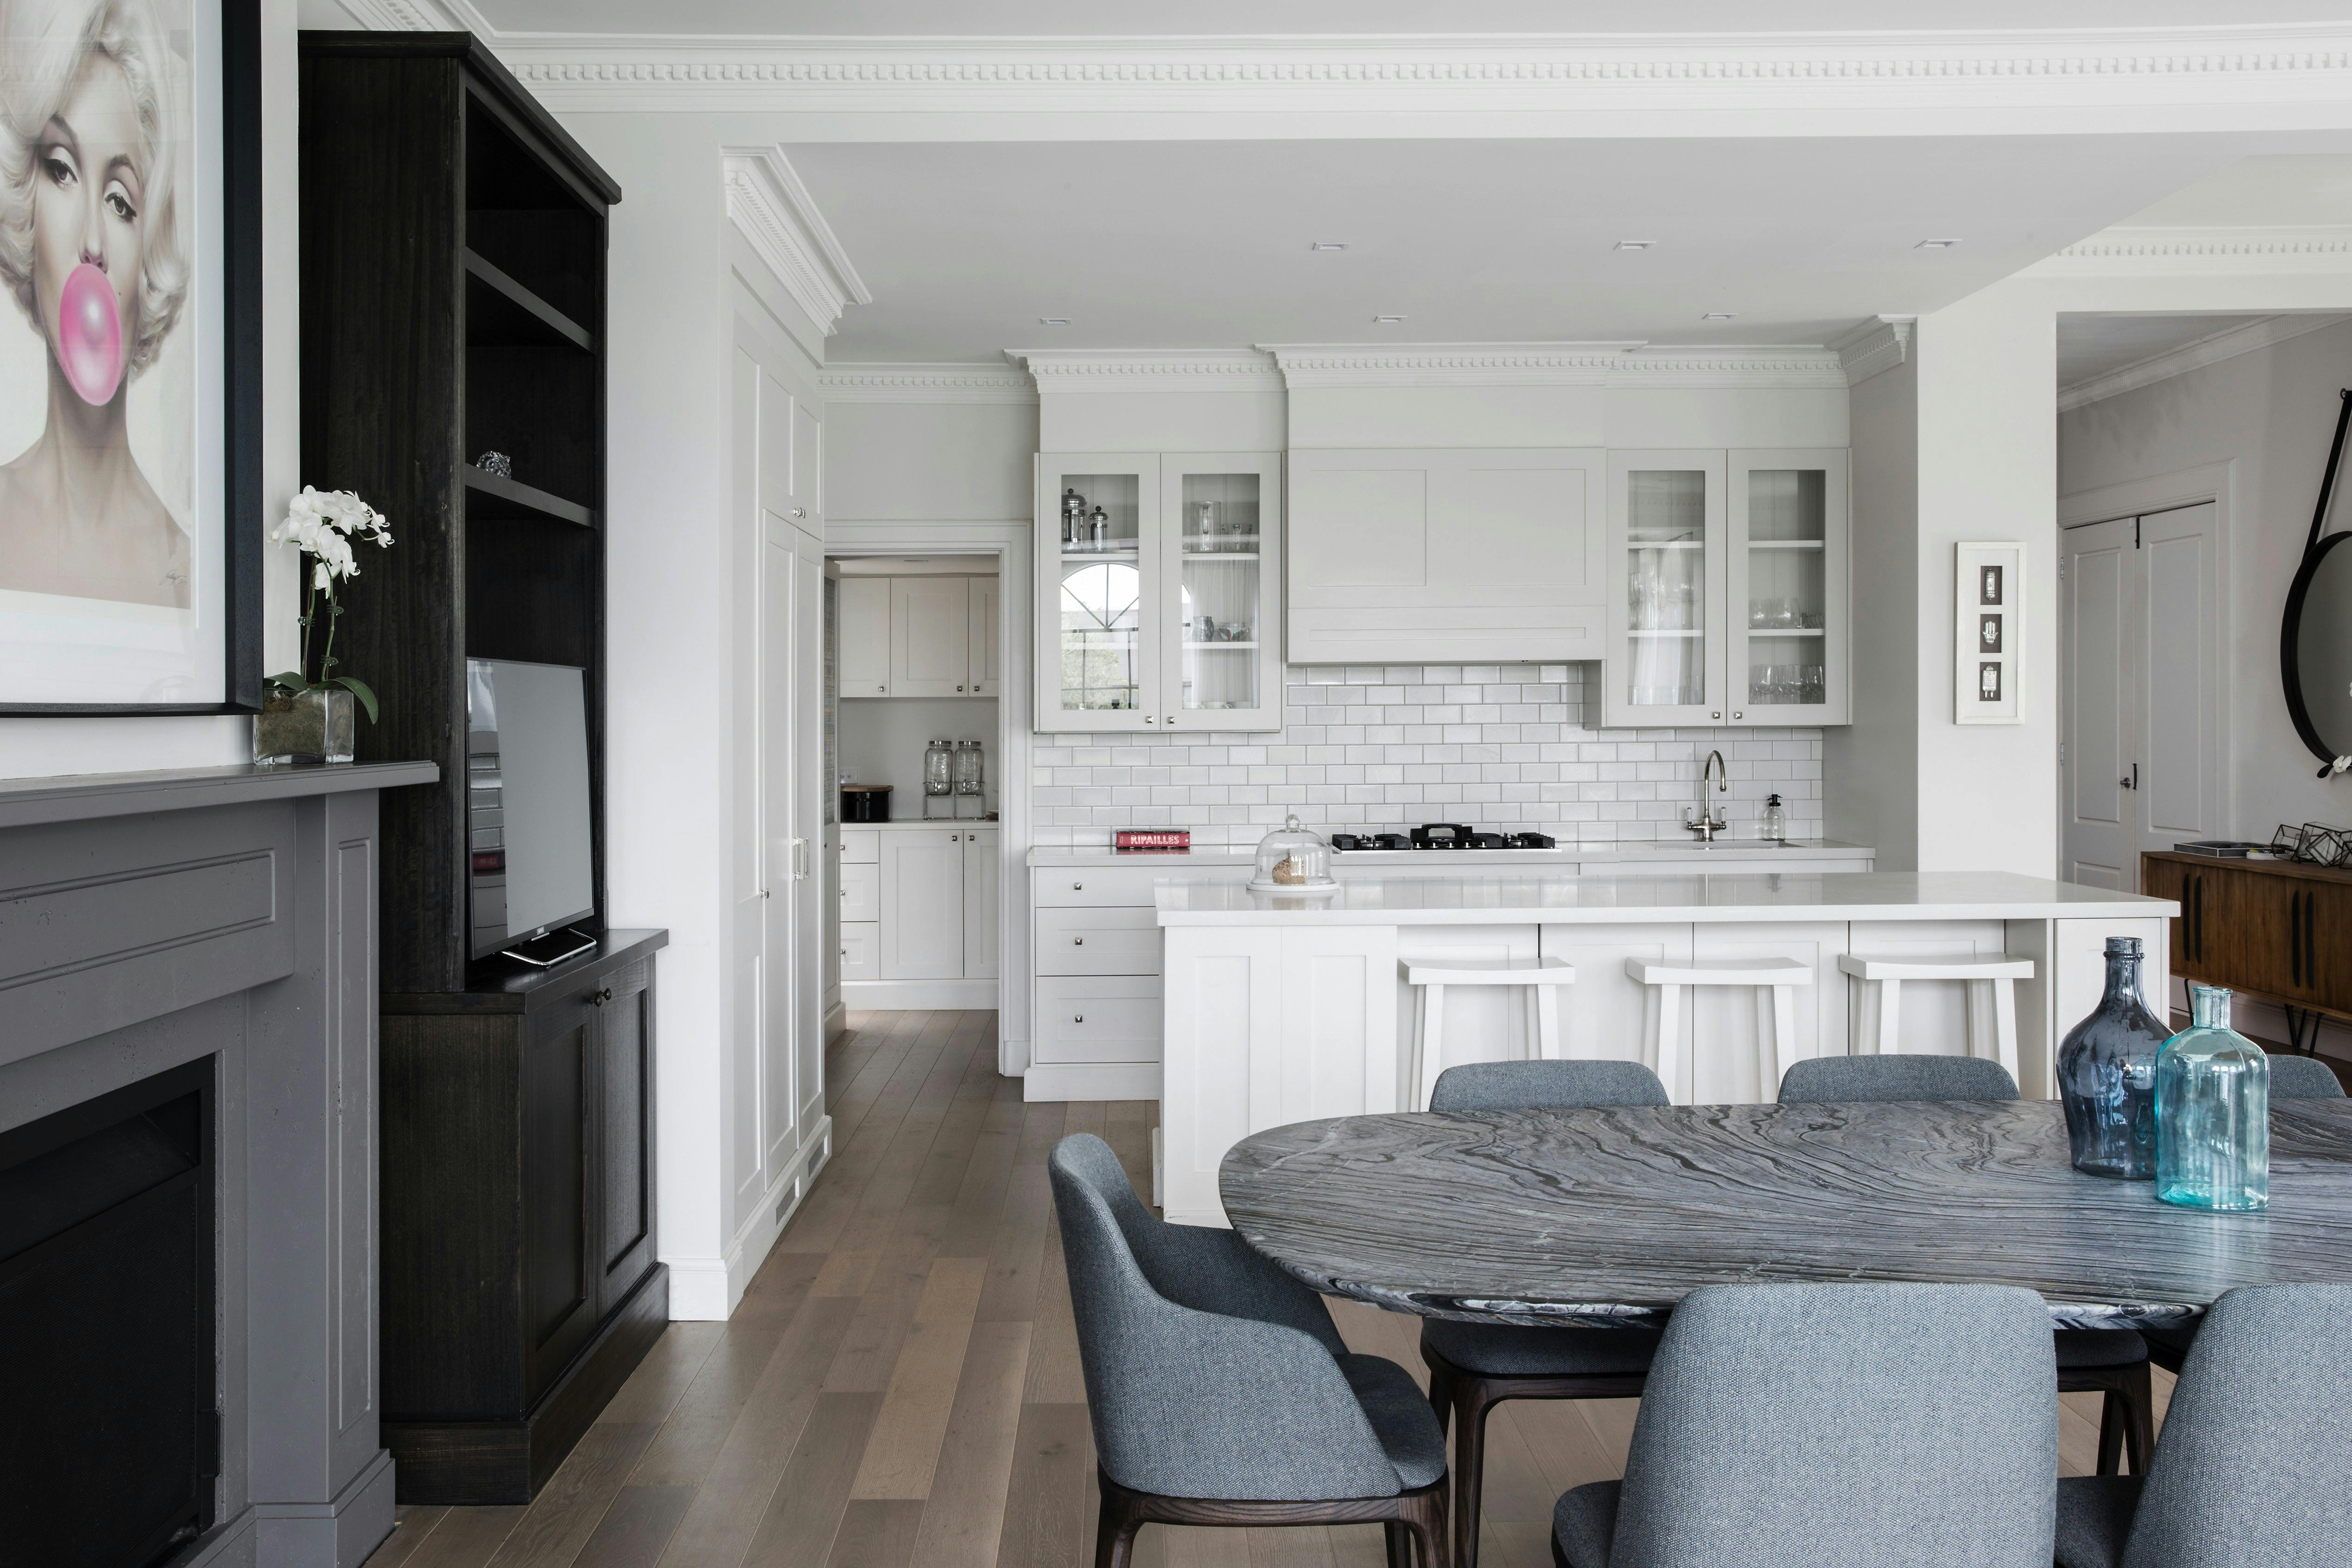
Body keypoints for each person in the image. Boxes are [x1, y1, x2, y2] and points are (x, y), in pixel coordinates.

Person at [0, 0, 187, 607]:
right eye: (61, 170)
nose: (91, 243)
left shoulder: (184, 567)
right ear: (26, 202)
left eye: (119, 201)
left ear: (147, 255)